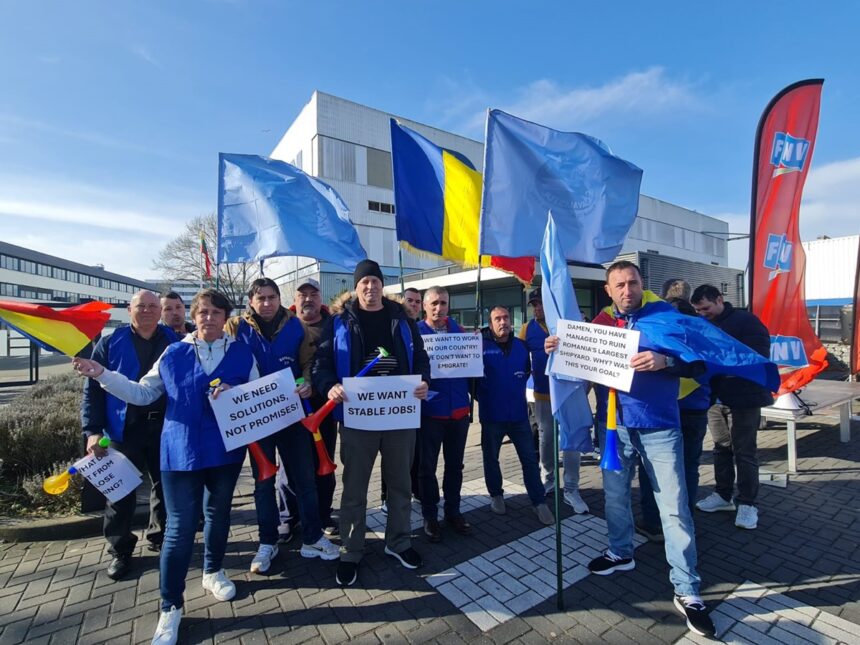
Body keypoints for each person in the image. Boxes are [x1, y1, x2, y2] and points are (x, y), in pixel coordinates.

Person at [73, 289, 258, 645]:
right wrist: (102, 374)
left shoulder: (241, 353)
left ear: (225, 317)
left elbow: (258, 393)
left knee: (218, 514)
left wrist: (239, 391)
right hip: (181, 452)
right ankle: (170, 606)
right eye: (202, 312)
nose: (208, 318)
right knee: (178, 528)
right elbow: (142, 393)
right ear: (195, 314)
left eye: (216, 313)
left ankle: (213, 570)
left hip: (225, 450)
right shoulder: (173, 352)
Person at [545, 262, 716, 638]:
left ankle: (687, 589)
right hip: (615, 427)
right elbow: (580, 365)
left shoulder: (666, 315)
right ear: (608, 289)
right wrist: (557, 348)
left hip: (659, 426)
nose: (627, 289)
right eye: (619, 284)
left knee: (674, 507)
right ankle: (620, 552)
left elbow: (698, 364)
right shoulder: (602, 324)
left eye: (633, 282)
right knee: (616, 499)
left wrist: (666, 360)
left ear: (643, 284)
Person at [313, 259, 430, 587]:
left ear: (382, 286)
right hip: (357, 416)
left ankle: (399, 542)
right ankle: (351, 549)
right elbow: (321, 362)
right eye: (364, 282)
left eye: (375, 281)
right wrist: (329, 385)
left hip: (399, 414)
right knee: (354, 487)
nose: (370, 287)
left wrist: (424, 381)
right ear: (356, 287)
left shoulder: (403, 319)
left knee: (400, 484)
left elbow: (420, 357)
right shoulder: (337, 322)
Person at [225, 278, 338, 575]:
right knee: (264, 484)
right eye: (260, 298)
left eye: (271, 297)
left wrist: (306, 383)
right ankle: (267, 542)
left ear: (279, 298)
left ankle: (312, 537)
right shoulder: (236, 327)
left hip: (290, 414)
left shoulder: (295, 326)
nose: (266, 303)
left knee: (304, 479)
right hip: (256, 418)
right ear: (251, 300)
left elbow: (306, 364)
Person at [80, 290, 176, 580]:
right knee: (120, 493)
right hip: (123, 428)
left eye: (152, 306)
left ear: (160, 311)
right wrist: (93, 431)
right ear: (129, 309)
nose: (147, 311)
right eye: (140, 306)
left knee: (166, 487)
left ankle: (161, 539)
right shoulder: (110, 342)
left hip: (165, 426)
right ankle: (120, 550)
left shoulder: (175, 341)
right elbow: (92, 391)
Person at [691, 284, 772, 530]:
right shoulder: (705, 324)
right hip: (716, 398)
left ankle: (748, 504)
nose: (703, 314)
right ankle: (723, 495)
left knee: (744, 451)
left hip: (745, 398)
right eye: (698, 311)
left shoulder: (746, 321)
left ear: (719, 299)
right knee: (721, 448)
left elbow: (760, 354)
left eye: (706, 308)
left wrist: (724, 358)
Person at [637, 281, 711, 542]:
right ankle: (685, 519)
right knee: (689, 467)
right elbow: (705, 365)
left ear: (663, 294)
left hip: (663, 409)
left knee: (652, 469)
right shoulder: (700, 324)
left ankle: (653, 523)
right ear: (690, 297)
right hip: (697, 406)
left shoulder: (658, 321)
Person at [479, 305, 554, 526]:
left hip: (519, 416)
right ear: (490, 323)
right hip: (492, 416)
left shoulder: (522, 347)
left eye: (505, 318)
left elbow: (530, 371)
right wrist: (484, 398)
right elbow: (469, 381)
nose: (502, 322)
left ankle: (539, 501)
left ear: (511, 321)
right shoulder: (480, 347)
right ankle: (496, 495)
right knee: (491, 459)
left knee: (530, 459)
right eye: (497, 319)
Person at [518, 287, 588, 514]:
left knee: (571, 441)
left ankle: (571, 487)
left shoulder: (570, 325)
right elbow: (517, 356)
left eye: (540, 304)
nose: (537, 308)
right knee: (546, 439)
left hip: (568, 394)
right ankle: (547, 478)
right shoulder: (527, 328)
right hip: (542, 394)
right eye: (534, 305)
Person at [416, 286, 473, 542]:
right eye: (434, 303)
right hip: (430, 415)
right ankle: (430, 515)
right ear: (425, 306)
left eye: (444, 303)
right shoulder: (416, 333)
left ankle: (453, 511)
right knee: (427, 468)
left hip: (459, 412)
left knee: (455, 467)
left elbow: (473, 370)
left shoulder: (461, 333)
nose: (439, 308)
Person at [292, 278, 337, 535]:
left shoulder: (334, 325)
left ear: (321, 298)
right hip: (288, 407)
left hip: (323, 408)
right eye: (302, 294)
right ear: (295, 299)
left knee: (324, 461)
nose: (308, 299)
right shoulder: (285, 326)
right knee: (291, 468)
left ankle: (324, 515)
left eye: (313, 293)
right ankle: (290, 517)